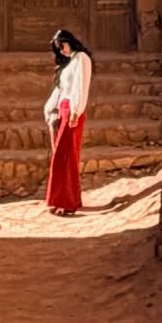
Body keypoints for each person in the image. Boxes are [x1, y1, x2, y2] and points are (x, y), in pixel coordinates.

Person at [43, 28, 93, 215]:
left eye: (61, 45)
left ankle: (69, 203)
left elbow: (81, 86)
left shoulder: (82, 59)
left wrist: (76, 111)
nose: (61, 50)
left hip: (72, 110)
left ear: (68, 41)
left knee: (67, 156)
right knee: (61, 156)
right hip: (63, 109)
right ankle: (59, 200)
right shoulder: (69, 63)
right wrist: (49, 109)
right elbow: (61, 90)